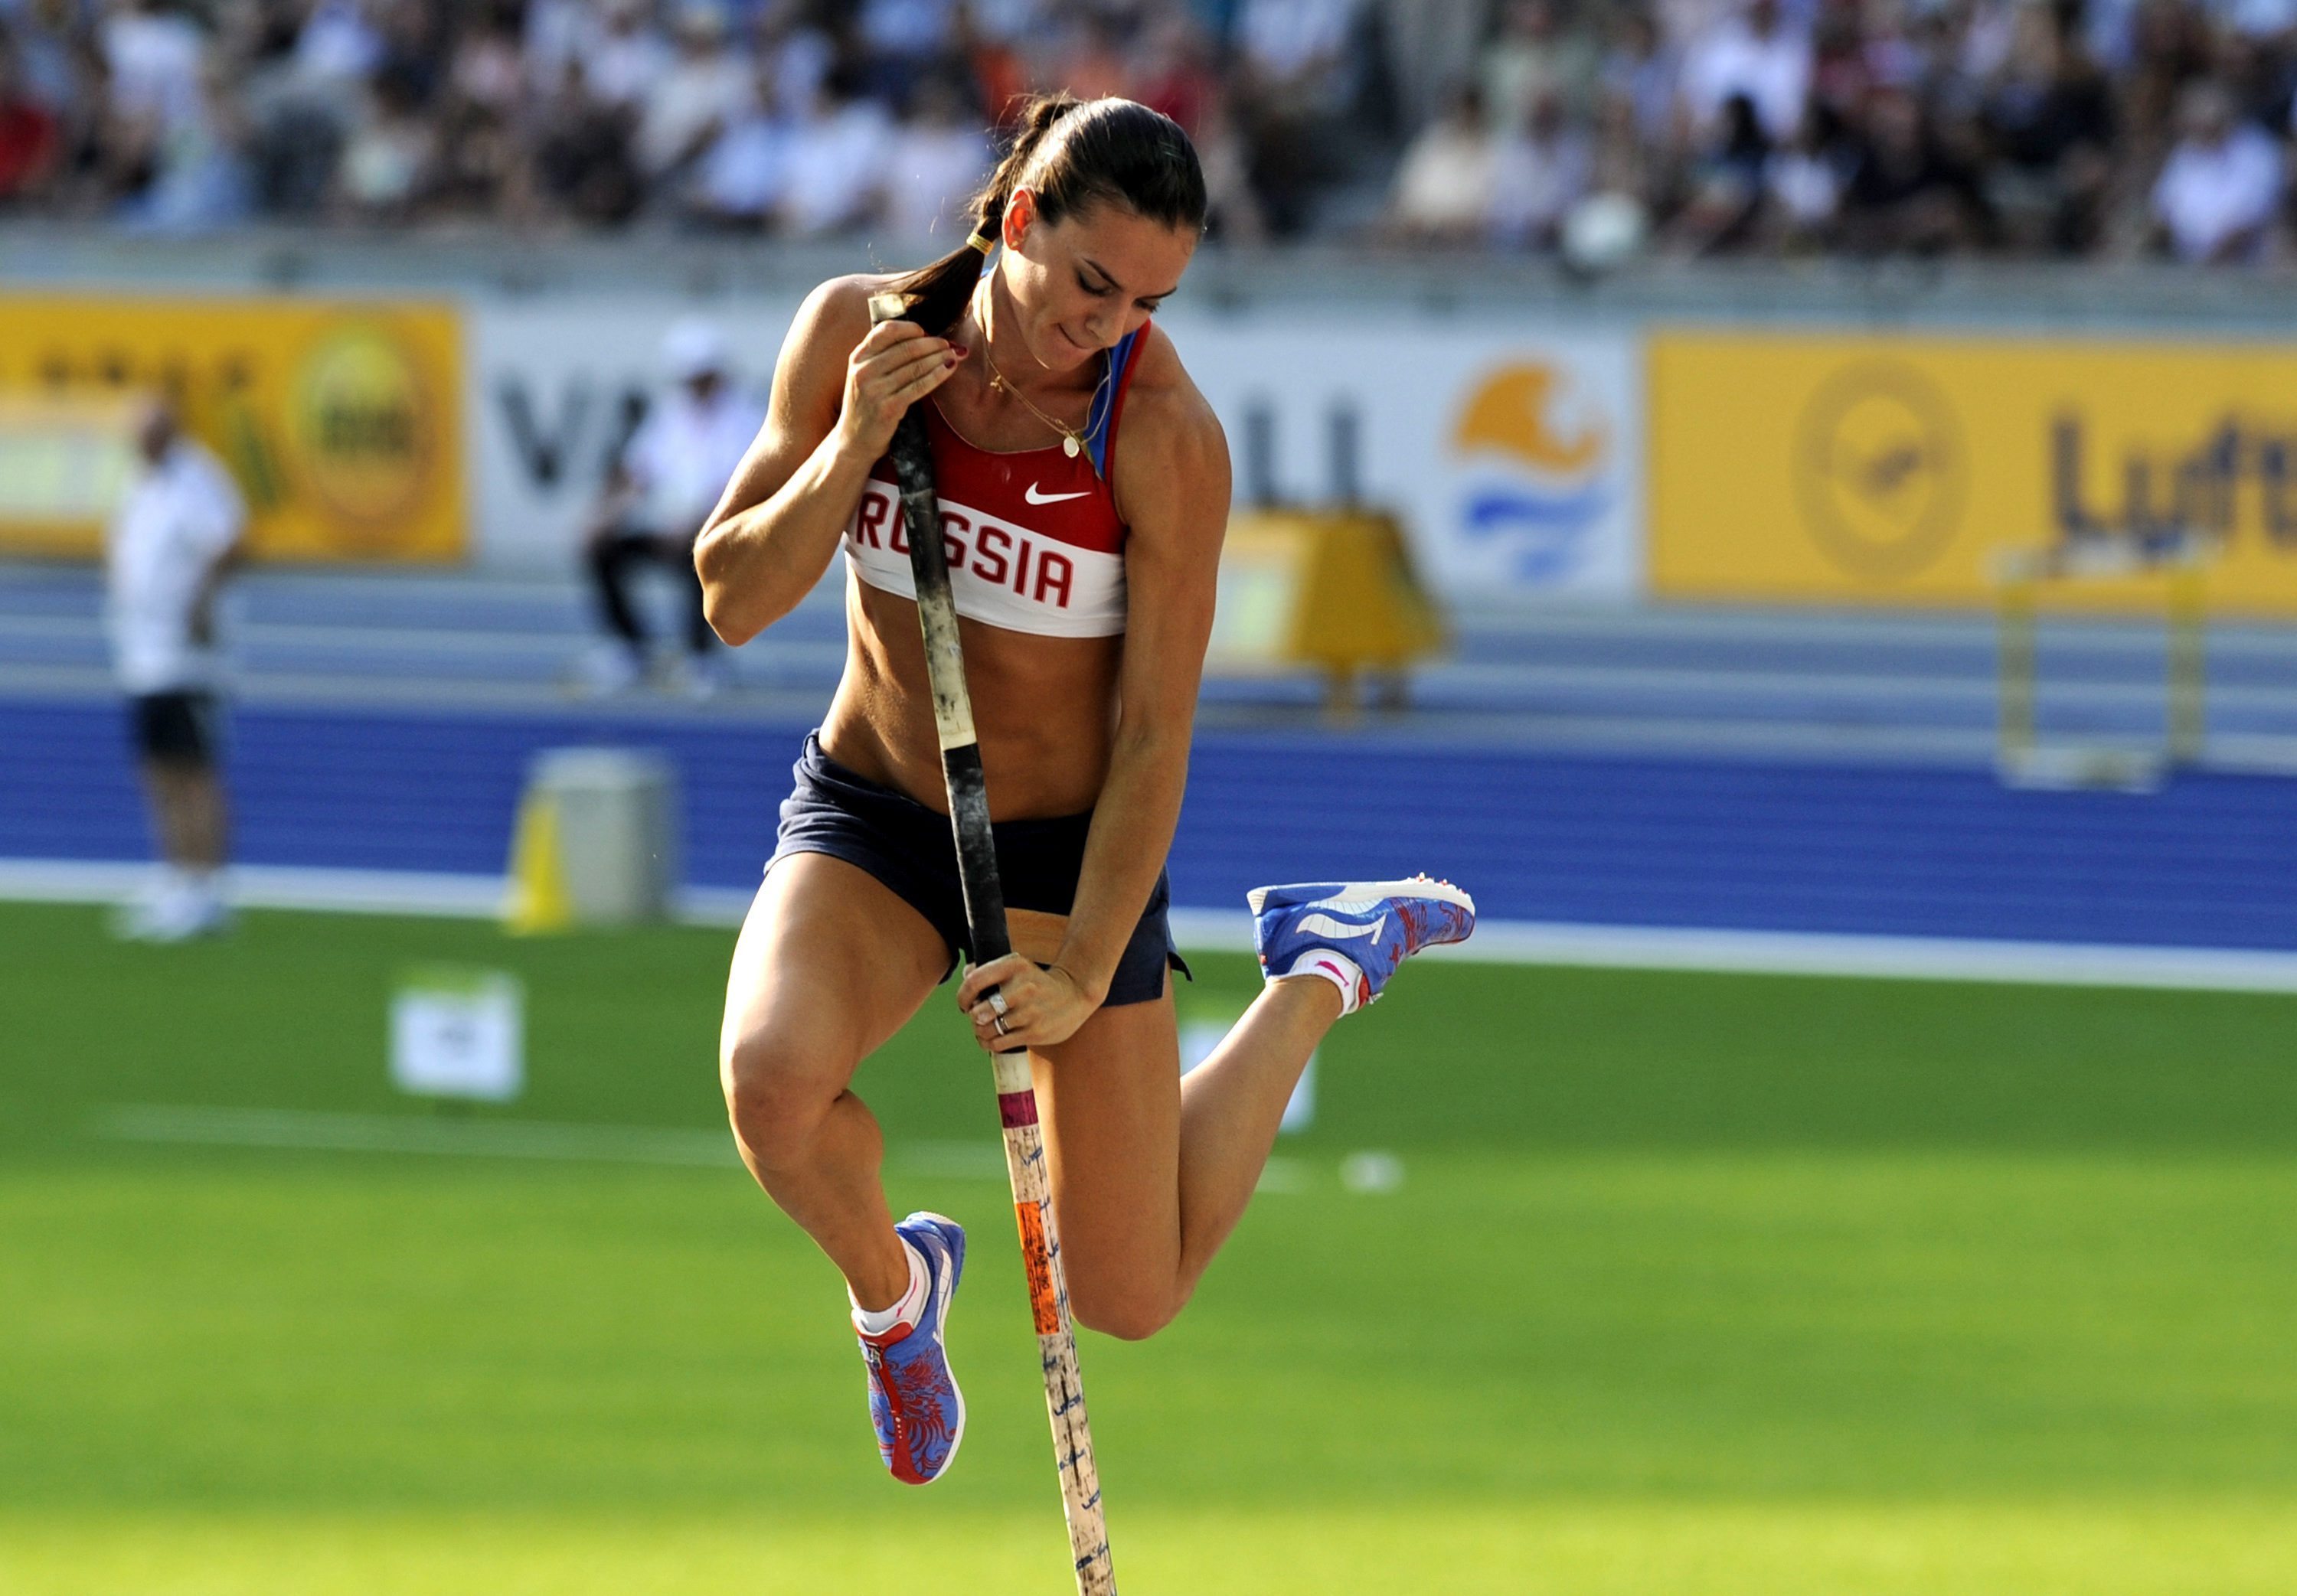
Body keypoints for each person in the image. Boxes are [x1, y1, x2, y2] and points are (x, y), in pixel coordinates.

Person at [694, 93, 1475, 1488]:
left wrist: (1082, 970)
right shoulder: (855, 335)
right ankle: (897, 1298)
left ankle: (1321, 969)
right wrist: (851, 440)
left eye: (1149, 300)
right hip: (878, 814)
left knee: (1130, 1294)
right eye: (1091, 283)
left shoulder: (1163, 438)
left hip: (1064, 853)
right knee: (769, 1084)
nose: (1108, 324)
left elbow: (1157, 740)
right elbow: (732, 599)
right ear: (1013, 223)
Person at [106, 398, 246, 942]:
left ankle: (207, 889)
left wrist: (200, 602)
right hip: (142, 652)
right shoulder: (140, 484)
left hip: (187, 656)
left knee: (194, 770)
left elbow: (230, 541)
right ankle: (176, 877)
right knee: (157, 770)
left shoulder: (197, 477)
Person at [580, 318, 760, 698]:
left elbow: (734, 490)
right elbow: (637, 472)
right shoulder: (673, 413)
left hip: (719, 533)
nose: (695, 387)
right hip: (668, 527)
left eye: (702, 377)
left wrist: (691, 526)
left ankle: (701, 658)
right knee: (602, 550)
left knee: (702, 555)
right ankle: (631, 648)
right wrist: (604, 514)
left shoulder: (745, 419)